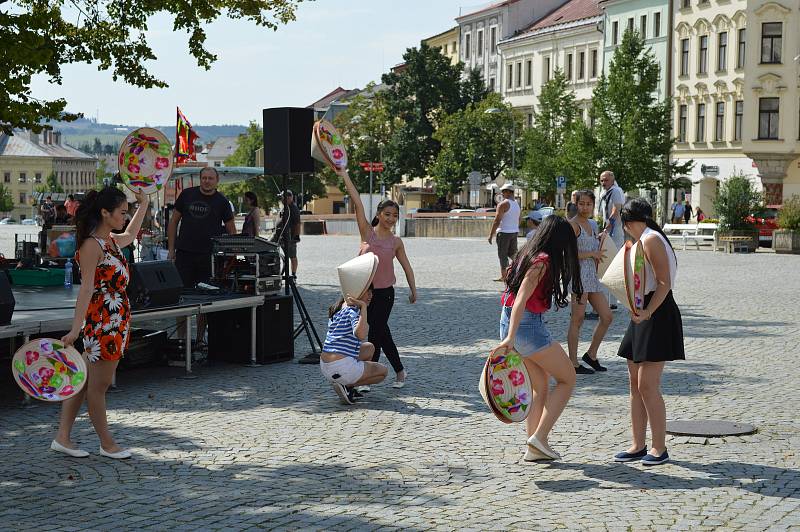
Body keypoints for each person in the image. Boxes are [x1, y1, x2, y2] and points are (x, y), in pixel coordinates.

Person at [52, 186, 149, 459]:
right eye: (121, 212)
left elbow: (130, 234)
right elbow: (86, 290)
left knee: (84, 381)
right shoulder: (92, 245)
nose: (124, 216)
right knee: (99, 385)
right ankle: (107, 443)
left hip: (114, 317)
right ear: (105, 213)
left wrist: (144, 204)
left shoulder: (110, 241)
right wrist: (75, 328)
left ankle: (63, 437)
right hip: (103, 320)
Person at [493, 215, 581, 462]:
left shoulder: (526, 253)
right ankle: (540, 437)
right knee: (568, 378)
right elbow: (521, 297)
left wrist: (509, 334)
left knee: (540, 387)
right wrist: (510, 337)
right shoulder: (542, 261)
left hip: (514, 322)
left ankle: (534, 447)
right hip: (526, 328)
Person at [614, 198, 684, 466]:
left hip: (657, 311)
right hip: (643, 310)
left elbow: (664, 283)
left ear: (628, 222)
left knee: (647, 385)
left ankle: (659, 447)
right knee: (634, 381)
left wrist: (648, 312)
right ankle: (637, 444)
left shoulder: (651, 239)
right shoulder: (642, 238)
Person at [338, 168, 417, 389]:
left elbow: (407, 267)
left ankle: (367, 376)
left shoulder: (396, 242)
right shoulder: (367, 233)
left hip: (385, 294)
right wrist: (345, 175)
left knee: (375, 332)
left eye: (395, 216)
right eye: (387, 214)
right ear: (379, 214)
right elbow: (357, 203)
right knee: (380, 332)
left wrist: (413, 289)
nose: (391, 219)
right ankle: (400, 371)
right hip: (365, 292)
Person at [167, 166, 236, 347]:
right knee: (180, 296)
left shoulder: (222, 201)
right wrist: (171, 248)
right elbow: (173, 222)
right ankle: (180, 339)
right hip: (184, 254)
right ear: (200, 179)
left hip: (208, 256)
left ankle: (199, 339)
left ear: (216, 180)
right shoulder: (187, 195)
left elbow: (231, 229)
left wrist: (232, 254)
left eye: (210, 178)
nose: (206, 181)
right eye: (204, 178)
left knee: (204, 299)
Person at [567, 190, 613, 375]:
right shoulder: (572, 225)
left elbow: (595, 249)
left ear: (593, 205)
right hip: (578, 276)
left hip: (592, 276)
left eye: (589, 204)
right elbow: (567, 254)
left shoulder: (592, 224)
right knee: (577, 320)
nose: (585, 207)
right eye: (582, 203)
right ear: (576, 204)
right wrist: (591, 254)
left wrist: (601, 241)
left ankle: (591, 355)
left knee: (607, 316)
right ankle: (573, 362)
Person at [321, 285, 389, 404]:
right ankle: (346, 384)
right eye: (367, 292)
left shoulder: (339, 306)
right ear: (357, 291)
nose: (371, 296)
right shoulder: (354, 310)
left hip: (325, 364)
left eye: (371, 292)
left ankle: (347, 388)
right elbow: (361, 335)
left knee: (369, 347)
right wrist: (363, 307)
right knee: (383, 372)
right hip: (341, 366)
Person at [598, 171, 625, 309]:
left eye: (606, 180)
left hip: (614, 232)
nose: (603, 183)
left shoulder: (615, 191)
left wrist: (607, 229)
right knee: (610, 265)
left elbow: (616, 209)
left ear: (612, 179)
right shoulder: (608, 191)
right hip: (611, 231)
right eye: (601, 180)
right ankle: (612, 301)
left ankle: (610, 302)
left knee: (609, 265)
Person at [488, 183, 521, 282]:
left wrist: (491, 235)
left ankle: (505, 277)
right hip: (514, 232)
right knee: (513, 254)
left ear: (507, 192)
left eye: (503, 191)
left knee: (502, 255)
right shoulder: (517, 204)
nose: (502, 193)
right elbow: (519, 219)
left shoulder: (503, 204)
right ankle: (520, 269)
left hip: (504, 232)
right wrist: (515, 228)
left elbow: (497, 220)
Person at [275, 190, 301, 276]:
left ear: (289, 198)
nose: (281, 199)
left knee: (292, 257)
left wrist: (296, 236)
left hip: (289, 238)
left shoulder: (293, 209)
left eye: (282, 197)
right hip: (280, 236)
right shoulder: (285, 207)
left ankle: (293, 275)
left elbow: (297, 224)